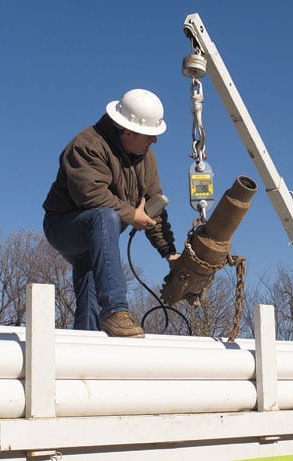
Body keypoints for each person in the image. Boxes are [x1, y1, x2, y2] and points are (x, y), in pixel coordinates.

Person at [43, 88, 179, 337]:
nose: (154, 141)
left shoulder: (147, 159)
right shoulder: (88, 145)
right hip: (64, 226)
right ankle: (115, 310)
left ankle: (86, 345)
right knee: (104, 217)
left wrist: (169, 253)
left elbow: (153, 207)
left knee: (91, 295)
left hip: (100, 235)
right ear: (127, 131)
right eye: (149, 134)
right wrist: (133, 216)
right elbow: (91, 196)